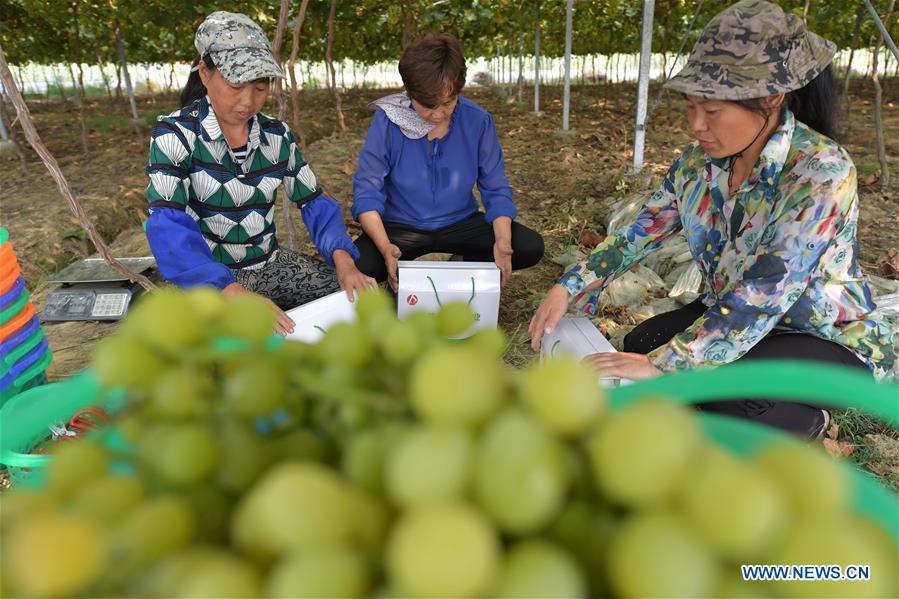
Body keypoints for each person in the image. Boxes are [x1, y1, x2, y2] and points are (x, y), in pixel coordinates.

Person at [529, 0, 896, 438]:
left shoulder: (821, 172)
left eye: (713, 111)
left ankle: (805, 420)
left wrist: (668, 364)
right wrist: (568, 286)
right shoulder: (698, 164)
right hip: (740, 319)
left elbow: (765, 291)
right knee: (640, 343)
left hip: (821, 335)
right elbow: (639, 232)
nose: (697, 126)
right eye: (691, 108)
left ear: (771, 99)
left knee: (707, 382)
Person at [145, 11, 374, 335]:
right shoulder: (176, 134)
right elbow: (167, 225)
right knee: (199, 351)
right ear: (205, 73)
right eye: (236, 85)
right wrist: (230, 291)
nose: (247, 101)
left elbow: (314, 203)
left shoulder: (276, 135)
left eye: (260, 87)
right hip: (207, 280)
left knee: (353, 304)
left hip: (270, 266)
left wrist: (343, 259)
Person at [352, 33, 544, 291]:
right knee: (357, 264)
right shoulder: (388, 122)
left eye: (448, 102)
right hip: (401, 226)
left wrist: (502, 241)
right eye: (428, 105)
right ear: (410, 93)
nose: (438, 114)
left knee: (528, 246)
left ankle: (463, 263)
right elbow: (367, 191)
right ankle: (400, 265)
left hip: (460, 223)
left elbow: (495, 188)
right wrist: (386, 247)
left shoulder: (478, 121)